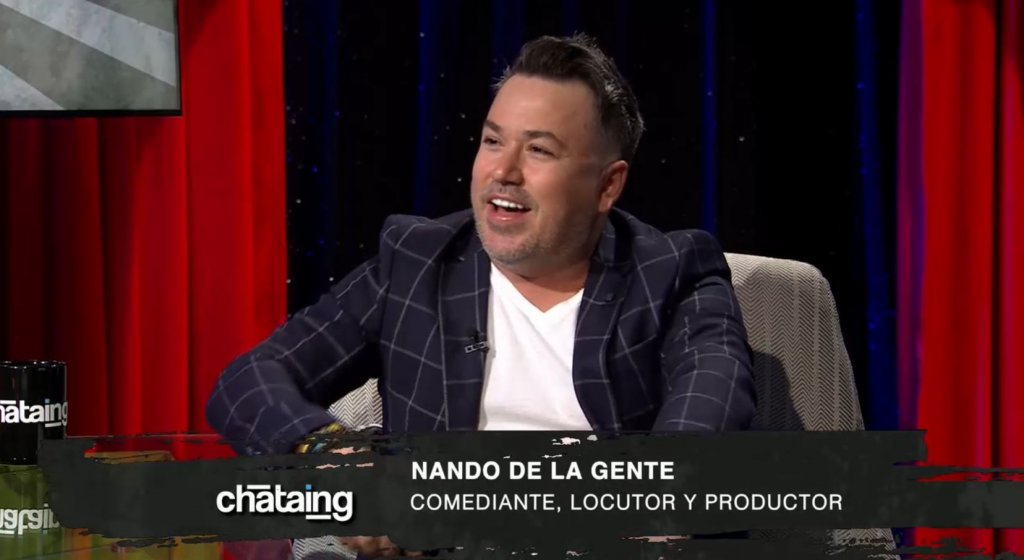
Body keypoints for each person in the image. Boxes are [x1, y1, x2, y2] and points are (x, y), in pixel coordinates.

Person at [207, 32, 756, 555]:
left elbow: (709, 412)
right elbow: (248, 382)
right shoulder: (417, 262)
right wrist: (336, 457)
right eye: (493, 141)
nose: (504, 171)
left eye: (539, 150)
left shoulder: (671, 272)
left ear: (607, 185)